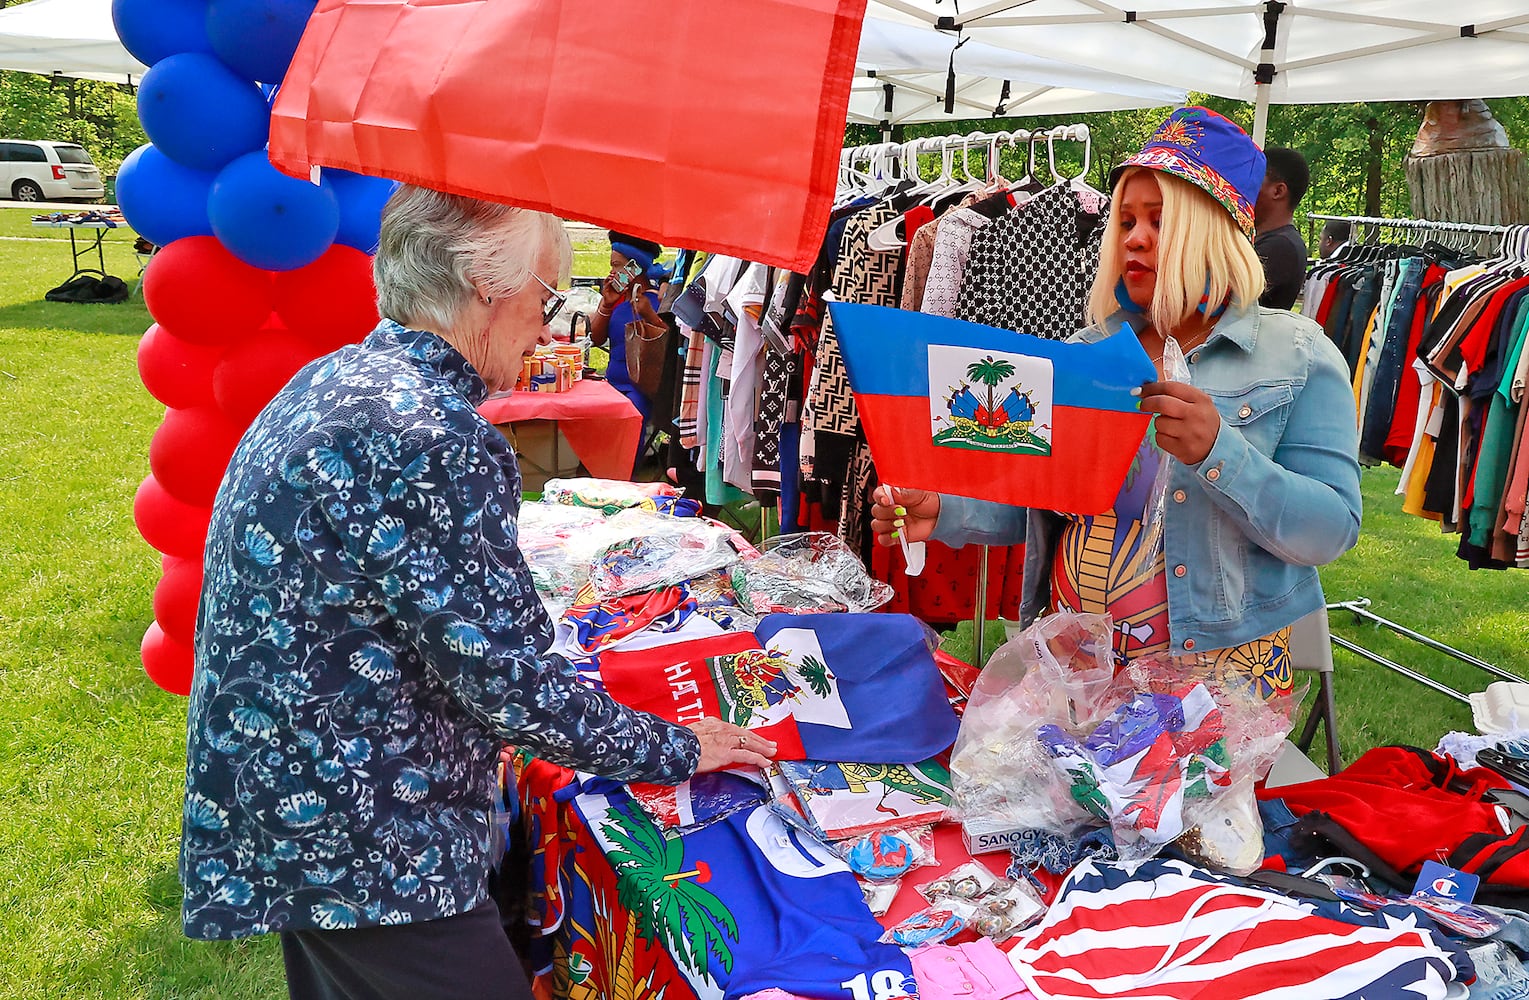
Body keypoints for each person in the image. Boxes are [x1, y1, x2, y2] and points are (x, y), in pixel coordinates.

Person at [178, 185, 775, 1000]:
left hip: (305, 801)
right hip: (369, 833)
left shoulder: (348, 374)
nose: (548, 321)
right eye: (546, 293)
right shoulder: (430, 432)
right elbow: (506, 684)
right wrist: (678, 747)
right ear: (484, 284)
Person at [871, 107, 1361, 696]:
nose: (1133, 237)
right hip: (1072, 670)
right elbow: (1046, 501)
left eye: (1159, 220)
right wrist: (945, 512)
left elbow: (1331, 530)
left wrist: (1219, 452)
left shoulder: (1298, 355)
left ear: (1211, 230)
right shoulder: (1088, 351)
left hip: (1217, 687)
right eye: (1125, 220)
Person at [589, 231, 666, 420]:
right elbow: (596, 338)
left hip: (640, 389)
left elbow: (667, 343)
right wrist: (606, 305)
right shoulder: (616, 296)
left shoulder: (658, 300)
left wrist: (649, 315)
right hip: (611, 384)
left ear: (635, 267)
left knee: (631, 416)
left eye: (617, 266)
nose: (612, 272)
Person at [1253, 146, 1310, 310]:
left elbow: (1220, 298)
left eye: (1255, 180)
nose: (1246, 189)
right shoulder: (1280, 241)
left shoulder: (1281, 247)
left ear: (1278, 191)